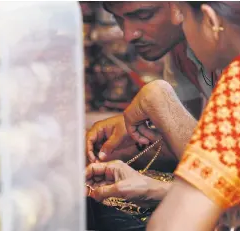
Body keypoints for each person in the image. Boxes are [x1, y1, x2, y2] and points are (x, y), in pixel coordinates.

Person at [86, 2, 240, 230]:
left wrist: (159, 100)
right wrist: (155, 188)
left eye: (182, 15)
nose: (178, 23)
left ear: (210, 21)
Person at [86, 2, 218, 171]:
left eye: (143, 16)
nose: (128, 35)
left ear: (178, 6)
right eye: (117, 18)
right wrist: (124, 150)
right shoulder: (179, 49)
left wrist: (157, 98)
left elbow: (226, 177)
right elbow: (193, 142)